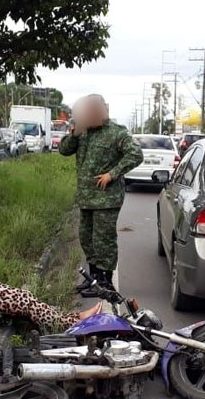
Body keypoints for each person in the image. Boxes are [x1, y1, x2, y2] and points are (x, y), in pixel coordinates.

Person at [59, 94, 143, 296]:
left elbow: (136, 154)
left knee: (103, 241)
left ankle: (105, 283)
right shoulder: (83, 132)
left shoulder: (116, 133)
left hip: (107, 199)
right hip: (86, 198)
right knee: (86, 238)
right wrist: (74, 133)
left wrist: (111, 174)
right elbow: (64, 150)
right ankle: (93, 279)